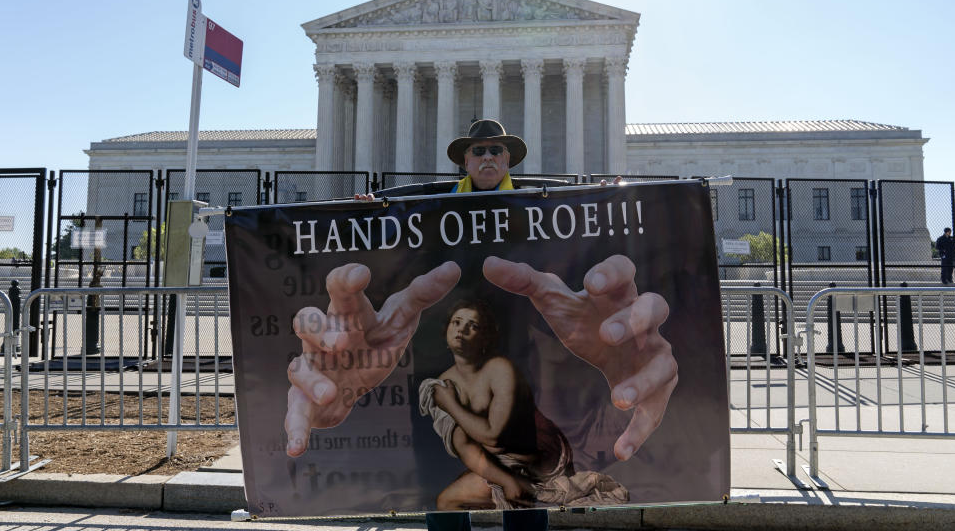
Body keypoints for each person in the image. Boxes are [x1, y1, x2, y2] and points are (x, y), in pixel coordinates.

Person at [289, 119, 678, 530]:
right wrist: (366, 207)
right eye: (479, 150)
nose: (488, 157)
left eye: (496, 150)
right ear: (465, 161)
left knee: (522, 483)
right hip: (438, 359)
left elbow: (581, 230)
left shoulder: (536, 203)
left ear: (508, 158)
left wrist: (603, 199)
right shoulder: (432, 206)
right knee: (439, 481)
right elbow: (387, 224)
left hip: (513, 359)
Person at [420, 300, 628, 511]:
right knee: (447, 502)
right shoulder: (442, 384)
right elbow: (465, 447)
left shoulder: (498, 369)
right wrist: (506, 480)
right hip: (501, 464)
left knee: (517, 507)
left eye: (473, 325)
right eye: (456, 322)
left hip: (540, 461)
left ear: (484, 337)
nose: (462, 330)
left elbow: (493, 435)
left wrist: (450, 404)